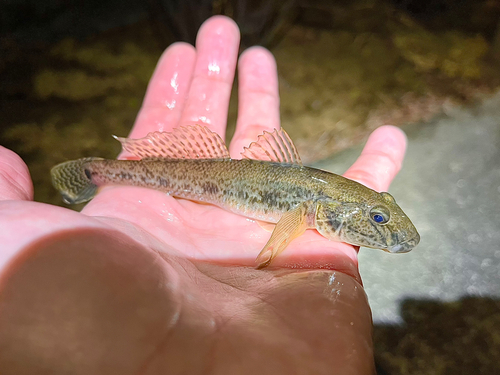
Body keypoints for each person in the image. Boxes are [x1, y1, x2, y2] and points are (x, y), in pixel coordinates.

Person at [0, 16, 407, 374]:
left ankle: (101, 172)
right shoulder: (306, 208)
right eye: (377, 217)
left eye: (379, 214)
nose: (381, 221)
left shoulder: (315, 204)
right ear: (322, 211)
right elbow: (283, 232)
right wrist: (270, 256)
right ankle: (99, 173)